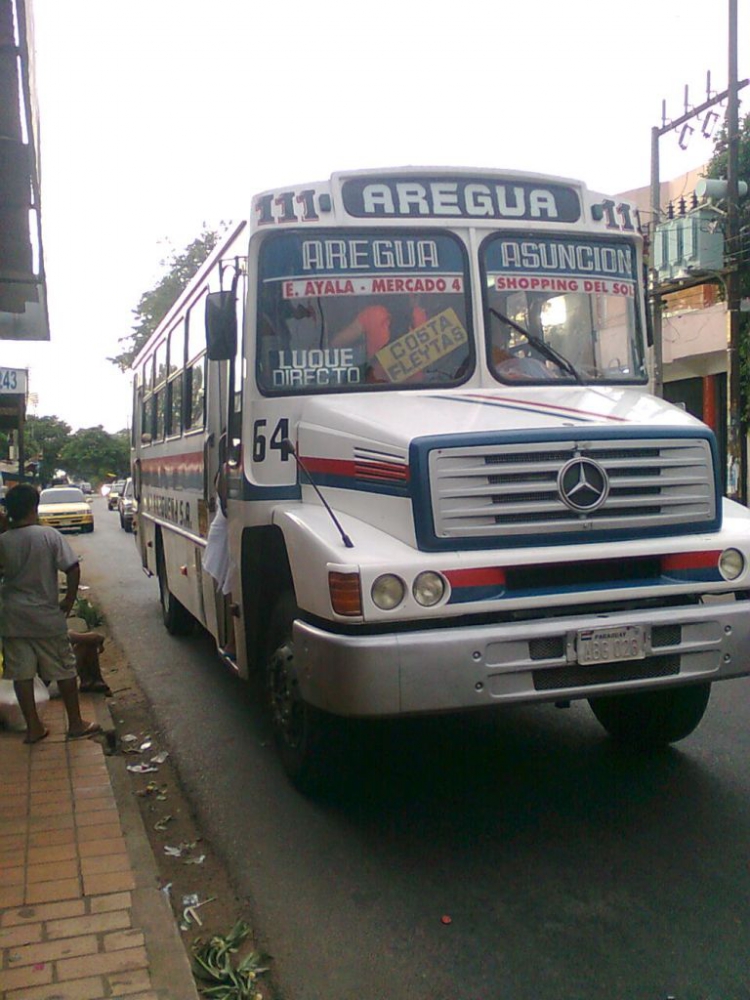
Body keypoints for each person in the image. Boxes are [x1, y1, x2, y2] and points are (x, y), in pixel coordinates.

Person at [0, 483, 101, 744]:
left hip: (12, 618)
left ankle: (34, 728)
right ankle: (76, 724)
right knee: (65, 670)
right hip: (47, 617)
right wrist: (68, 599)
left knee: (21, 674)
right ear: (35, 507)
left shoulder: (4, 541)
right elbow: (72, 567)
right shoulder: (49, 536)